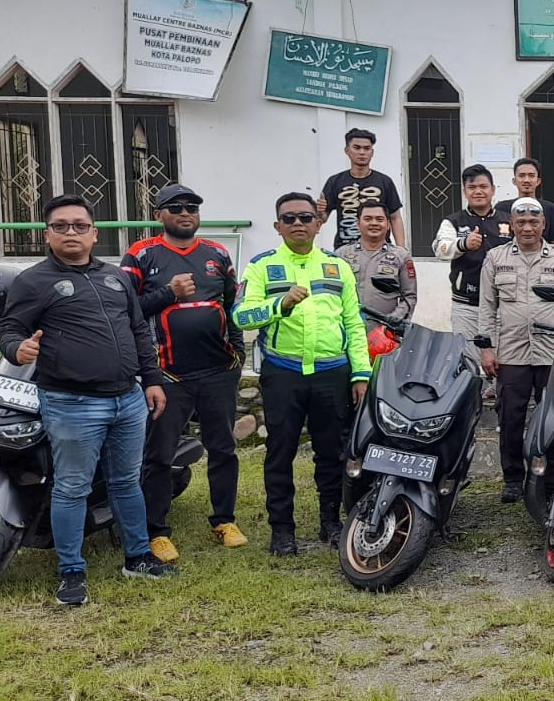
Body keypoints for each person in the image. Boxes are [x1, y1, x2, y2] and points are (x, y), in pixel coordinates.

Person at [0, 194, 176, 606]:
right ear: (47, 234)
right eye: (61, 226)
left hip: (128, 398)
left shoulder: (116, 277)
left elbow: (138, 330)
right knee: (72, 488)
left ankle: (138, 558)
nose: (71, 232)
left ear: (94, 234)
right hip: (72, 403)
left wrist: (151, 380)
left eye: (80, 225)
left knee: (126, 482)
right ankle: (71, 572)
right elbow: (10, 330)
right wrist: (17, 349)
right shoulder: (33, 281)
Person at [234, 192, 372, 556]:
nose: (298, 223)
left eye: (306, 217)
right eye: (289, 218)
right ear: (277, 226)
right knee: (280, 453)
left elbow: (354, 323)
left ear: (318, 224)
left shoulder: (337, 266)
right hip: (284, 373)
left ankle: (331, 521)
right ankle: (282, 531)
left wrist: (361, 373)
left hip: (332, 373)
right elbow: (241, 316)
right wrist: (279, 304)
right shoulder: (262, 266)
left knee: (332, 452)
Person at [121, 183, 247, 563]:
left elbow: (232, 306)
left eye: (192, 207)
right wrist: (168, 294)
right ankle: (157, 532)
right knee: (159, 456)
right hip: (166, 375)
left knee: (223, 449)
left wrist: (238, 353)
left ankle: (224, 521)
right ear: (158, 214)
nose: (185, 213)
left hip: (218, 372)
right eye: (175, 207)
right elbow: (124, 310)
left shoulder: (217, 253)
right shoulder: (141, 254)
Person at [477, 197, 554, 502]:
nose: (527, 227)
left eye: (533, 222)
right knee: (510, 418)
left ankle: (550, 478)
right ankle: (513, 479)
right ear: (512, 225)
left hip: (551, 353)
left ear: (543, 225)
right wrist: (487, 349)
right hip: (511, 353)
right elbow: (486, 307)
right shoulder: (495, 258)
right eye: (521, 222)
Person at [433, 165, 511, 371]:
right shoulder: (453, 221)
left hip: (502, 305)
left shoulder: (508, 221)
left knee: (503, 361)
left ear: (493, 189)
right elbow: (440, 249)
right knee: (470, 363)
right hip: (466, 305)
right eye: (472, 187)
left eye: (483, 187)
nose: (478, 191)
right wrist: (463, 244)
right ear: (464, 191)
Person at [318, 128, 406, 249]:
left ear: (372, 152)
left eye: (366, 148)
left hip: (380, 249)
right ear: (347, 150)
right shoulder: (335, 181)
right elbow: (322, 218)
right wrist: (319, 212)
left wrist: (402, 250)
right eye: (357, 148)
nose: (362, 152)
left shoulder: (384, 181)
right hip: (344, 248)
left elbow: (395, 218)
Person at [336, 199, 417, 324]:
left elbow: (409, 296)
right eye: (367, 219)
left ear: (388, 224)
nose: (374, 223)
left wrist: (392, 320)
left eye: (379, 219)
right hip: (347, 327)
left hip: (385, 331)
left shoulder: (401, 256)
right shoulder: (341, 255)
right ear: (358, 224)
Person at [501, 157, 554, 245]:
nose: (526, 180)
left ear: (538, 181)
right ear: (514, 181)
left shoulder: (550, 209)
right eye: (521, 176)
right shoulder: (502, 209)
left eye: (531, 175)